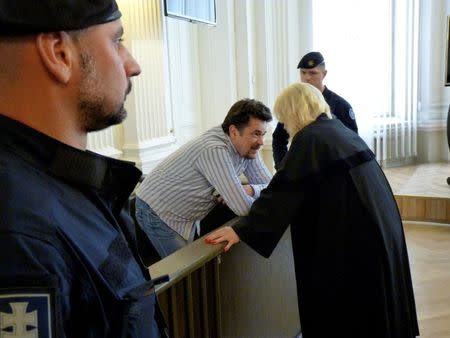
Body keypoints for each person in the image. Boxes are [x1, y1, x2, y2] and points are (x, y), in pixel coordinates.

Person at [0, 1, 166, 337]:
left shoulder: (62, 184)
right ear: (59, 53)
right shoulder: (23, 230)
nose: (133, 65)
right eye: (116, 40)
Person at [206, 83, 419, 338]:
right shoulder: (337, 130)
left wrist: (242, 230)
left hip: (357, 242)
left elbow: (284, 189)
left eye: (284, 120)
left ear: (294, 112)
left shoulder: (311, 139)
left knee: (348, 311)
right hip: (380, 232)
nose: (285, 127)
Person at [136, 99, 273, 257]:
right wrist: (264, 205)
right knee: (185, 273)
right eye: (256, 134)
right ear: (234, 131)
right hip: (158, 210)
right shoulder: (214, 149)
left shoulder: (247, 148)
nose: (261, 142)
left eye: (263, 134)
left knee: (193, 270)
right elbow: (241, 206)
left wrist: (251, 190)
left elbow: (272, 187)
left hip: (186, 215)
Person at [272, 51, 358, 169]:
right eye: (303, 72)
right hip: (304, 168)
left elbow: (352, 143)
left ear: (324, 74)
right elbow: (279, 138)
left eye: (313, 73)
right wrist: (282, 167)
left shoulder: (341, 106)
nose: (307, 77)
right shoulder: (294, 104)